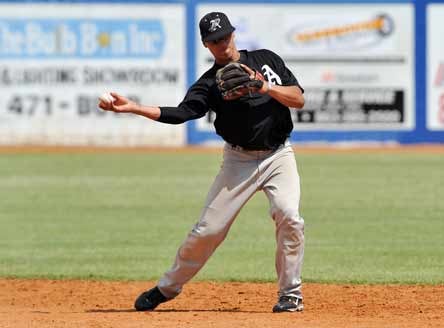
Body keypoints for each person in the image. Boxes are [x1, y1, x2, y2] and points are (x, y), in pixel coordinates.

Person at [98, 12, 306, 313]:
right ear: (206, 45)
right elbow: (181, 113)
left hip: (278, 155)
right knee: (208, 231)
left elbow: (298, 99)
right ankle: (166, 288)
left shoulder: (266, 60)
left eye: (224, 37)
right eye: (214, 41)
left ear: (233, 34)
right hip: (239, 161)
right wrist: (134, 108)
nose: (221, 45)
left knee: (289, 217)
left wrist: (265, 88)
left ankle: (291, 295)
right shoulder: (209, 84)